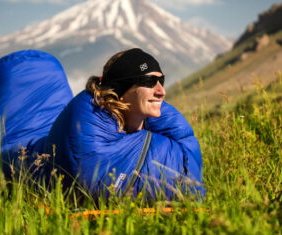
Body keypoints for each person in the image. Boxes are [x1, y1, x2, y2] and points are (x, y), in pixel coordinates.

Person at [44, 48, 205, 200]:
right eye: (149, 81)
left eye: (161, 80)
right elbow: (92, 179)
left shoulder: (157, 122)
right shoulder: (89, 119)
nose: (161, 91)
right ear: (120, 91)